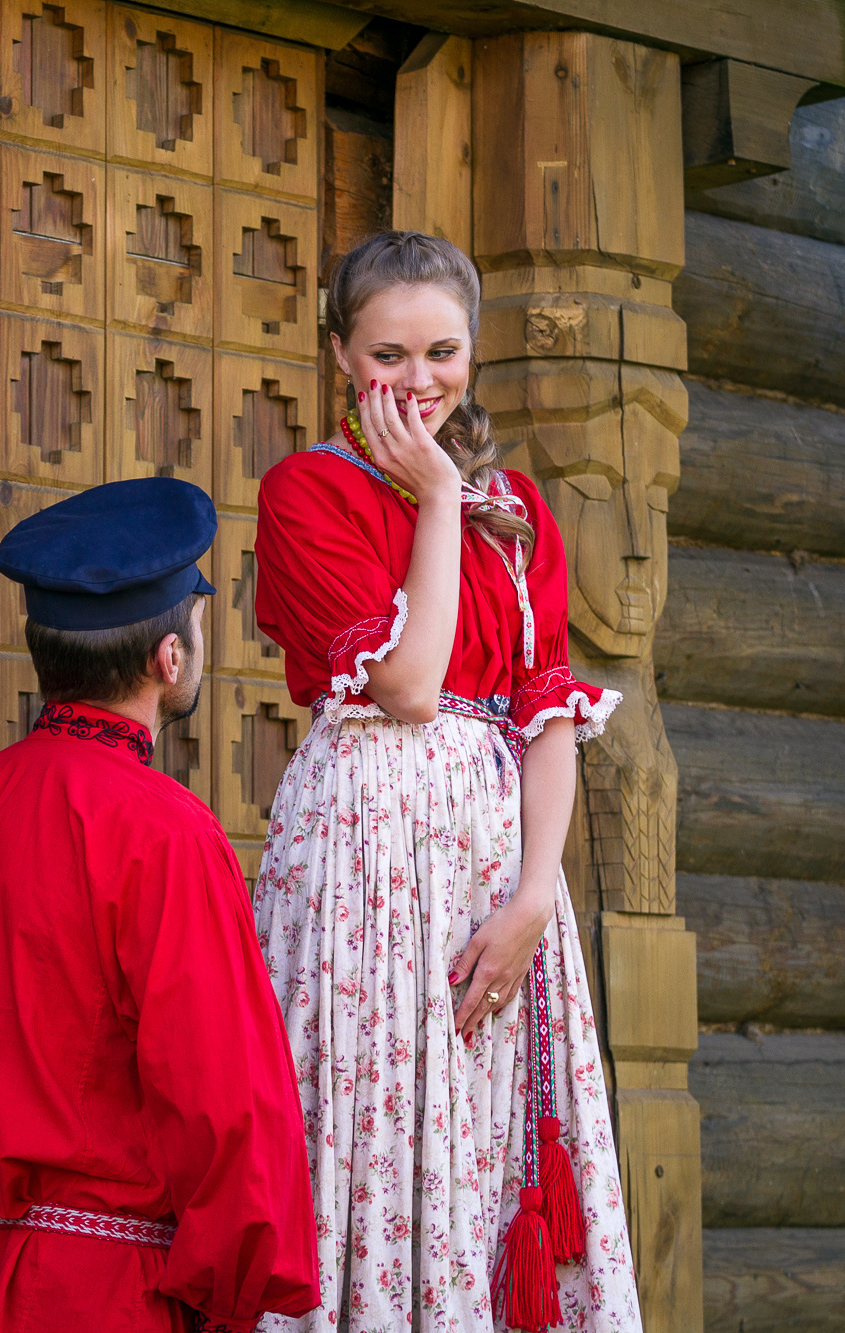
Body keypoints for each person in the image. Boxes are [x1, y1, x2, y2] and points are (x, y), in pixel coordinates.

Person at [250, 231, 642, 1332]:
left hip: (495, 868)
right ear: (336, 351)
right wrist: (432, 496)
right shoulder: (303, 493)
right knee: (372, 1132)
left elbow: (547, 712)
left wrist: (531, 898)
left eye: (442, 353)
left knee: (490, 1138)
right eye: (387, 355)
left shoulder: (516, 510)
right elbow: (412, 686)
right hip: (365, 856)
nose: (417, 382)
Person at [0, 477, 322, 1333]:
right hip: (104, 1297)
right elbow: (225, 1107)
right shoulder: (168, 834)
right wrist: (228, 1298)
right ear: (169, 659)